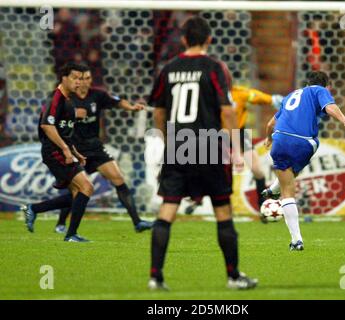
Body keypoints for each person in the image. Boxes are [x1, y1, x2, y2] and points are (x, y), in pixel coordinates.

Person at [148, 16, 258, 290]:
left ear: (184, 39)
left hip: (178, 145)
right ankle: (233, 276)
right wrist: (235, 148)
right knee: (222, 211)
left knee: (167, 211)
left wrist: (165, 140)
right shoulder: (214, 67)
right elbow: (228, 111)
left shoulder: (169, 68)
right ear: (209, 39)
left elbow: (159, 112)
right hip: (209, 145)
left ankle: (155, 277)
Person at [263, 71, 345, 251]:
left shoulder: (291, 95)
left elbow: (270, 124)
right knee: (296, 170)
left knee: (286, 190)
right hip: (303, 142)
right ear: (327, 86)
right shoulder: (319, 90)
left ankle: (296, 240)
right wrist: (344, 121)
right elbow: (330, 107)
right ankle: (276, 189)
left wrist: (268, 139)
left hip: (279, 140)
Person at [54, 69, 153, 233]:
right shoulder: (66, 97)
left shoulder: (97, 95)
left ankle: (137, 222)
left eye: (88, 78)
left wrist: (132, 107)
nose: (84, 81)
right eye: (81, 78)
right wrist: (72, 114)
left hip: (96, 148)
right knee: (76, 190)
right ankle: (61, 223)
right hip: (75, 149)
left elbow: (118, 102)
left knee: (119, 178)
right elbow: (53, 120)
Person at [22, 62, 93, 242]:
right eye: (75, 78)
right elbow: (47, 126)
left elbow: (65, 132)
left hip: (62, 150)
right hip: (54, 151)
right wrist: (65, 150)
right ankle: (71, 235)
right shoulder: (56, 98)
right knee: (86, 187)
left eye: (81, 79)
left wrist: (75, 152)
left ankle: (34, 209)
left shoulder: (68, 101)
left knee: (78, 194)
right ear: (64, 78)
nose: (79, 83)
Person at [184, 85, 283, 214]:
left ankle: (262, 206)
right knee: (213, 170)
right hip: (219, 135)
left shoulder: (241, 93)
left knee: (257, 170)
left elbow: (264, 98)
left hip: (240, 133)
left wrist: (279, 101)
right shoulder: (210, 93)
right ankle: (198, 198)